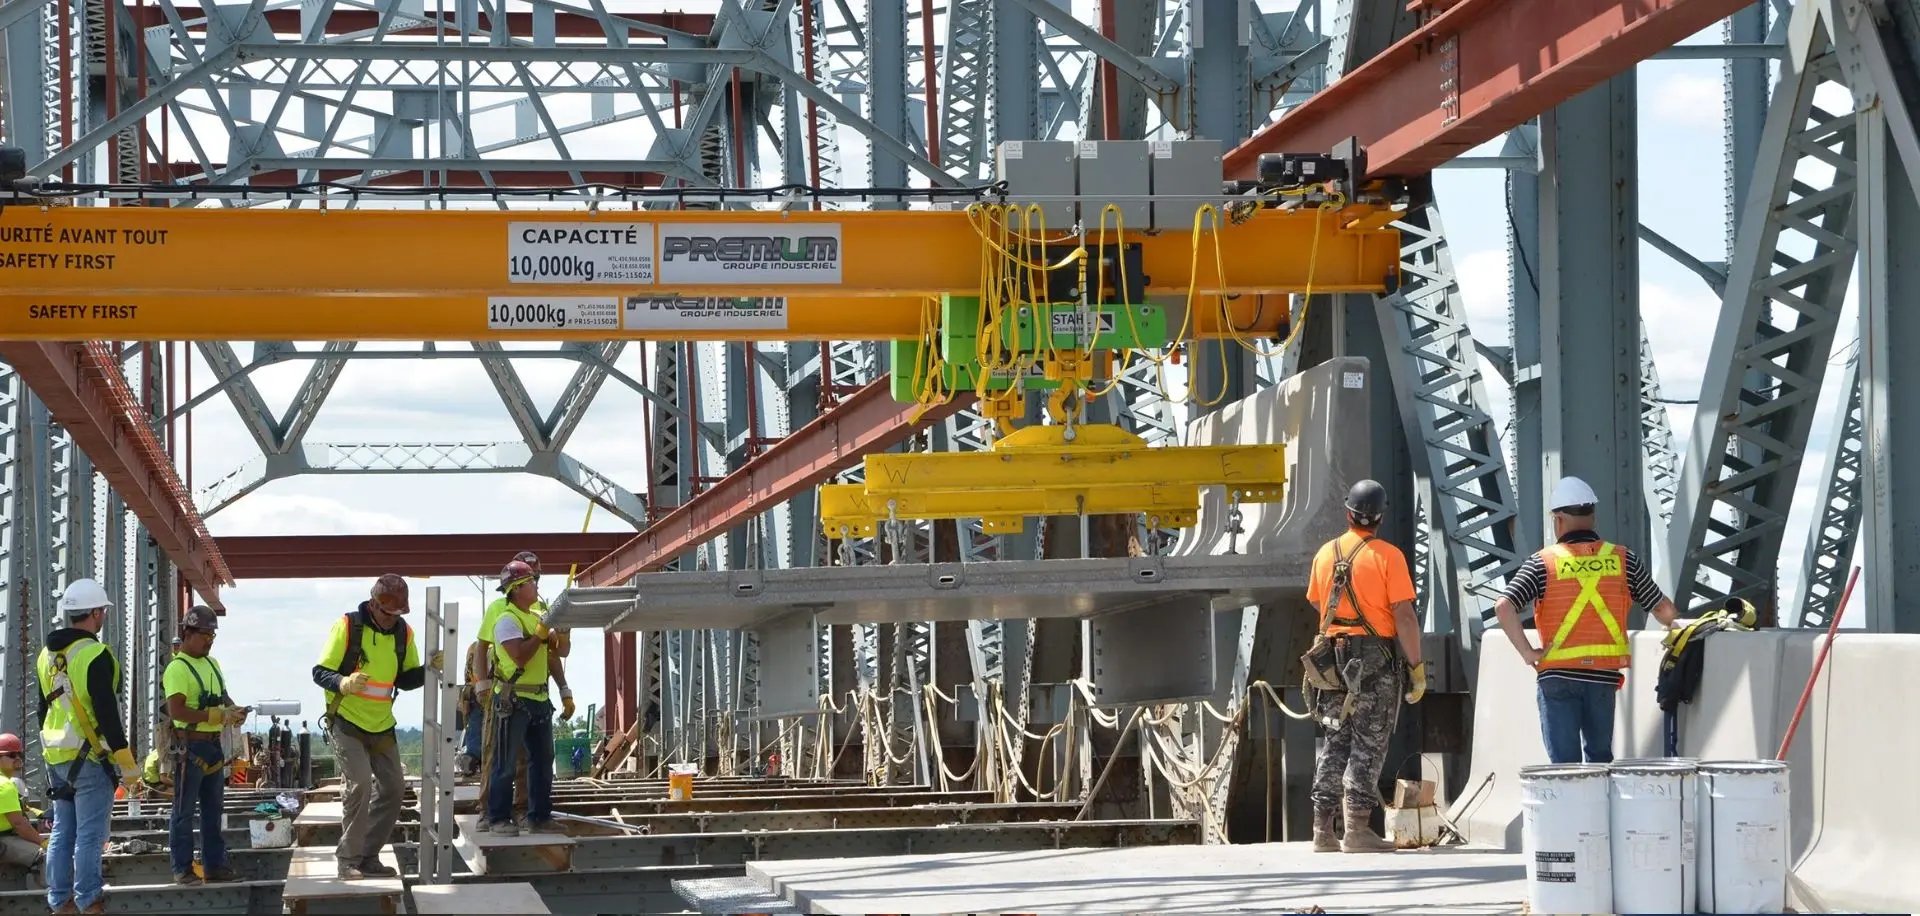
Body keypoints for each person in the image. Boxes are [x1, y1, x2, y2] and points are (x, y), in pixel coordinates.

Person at [1493, 476, 1679, 764]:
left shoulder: (1542, 562)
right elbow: (1664, 610)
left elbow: (1504, 606)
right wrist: (1681, 627)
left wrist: (1528, 653)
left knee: (1564, 767)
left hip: (1557, 675)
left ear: (1558, 520)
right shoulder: (1623, 559)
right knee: (1599, 760)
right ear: (1593, 516)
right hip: (1602, 677)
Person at [1304, 480, 1425, 854]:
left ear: (1348, 513)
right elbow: (1404, 616)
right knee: (1369, 742)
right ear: (1381, 517)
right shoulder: (1389, 557)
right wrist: (1416, 667)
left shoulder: (1325, 553)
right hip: (1373, 658)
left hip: (1330, 658)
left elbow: (1317, 602)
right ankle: (1357, 829)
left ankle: (1322, 831)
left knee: (1335, 740)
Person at [311, 574, 439, 879]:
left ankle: (368, 856)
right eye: (386, 612)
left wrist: (428, 670)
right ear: (373, 604)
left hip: (381, 724)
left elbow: (404, 680)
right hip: (347, 722)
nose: (390, 618)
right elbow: (319, 672)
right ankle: (348, 860)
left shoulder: (403, 634)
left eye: (396, 614)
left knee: (394, 788)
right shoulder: (348, 626)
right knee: (360, 785)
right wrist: (343, 682)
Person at [38, 577, 139, 915]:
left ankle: (60, 902)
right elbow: (107, 714)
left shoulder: (46, 656)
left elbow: (42, 709)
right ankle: (89, 901)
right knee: (90, 835)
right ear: (96, 613)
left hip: (56, 755)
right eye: (103, 611)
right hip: (90, 758)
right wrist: (126, 763)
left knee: (62, 831)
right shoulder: (95, 654)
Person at [472, 551, 572, 831]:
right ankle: (496, 817)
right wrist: (482, 683)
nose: (536, 585)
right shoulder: (506, 618)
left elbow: (557, 653)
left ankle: (538, 816)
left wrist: (562, 634)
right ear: (516, 588)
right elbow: (518, 656)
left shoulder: (538, 614)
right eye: (531, 581)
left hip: (539, 698)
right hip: (514, 699)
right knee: (504, 762)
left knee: (542, 761)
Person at [163, 605, 248, 885]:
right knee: (184, 811)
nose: (209, 640)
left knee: (213, 811)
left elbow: (222, 696)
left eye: (212, 635)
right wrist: (213, 716)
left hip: (212, 746)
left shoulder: (212, 664)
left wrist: (233, 710)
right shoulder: (178, 668)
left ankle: (214, 866)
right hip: (191, 748)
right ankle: (182, 868)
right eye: (205, 635)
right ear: (188, 633)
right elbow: (177, 711)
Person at [0, 733, 47, 874]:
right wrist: (43, 843)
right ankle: (57, 888)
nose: (18, 758)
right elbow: (19, 824)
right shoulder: (5, 785)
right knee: (45, 855)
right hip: (2, 839)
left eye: (20, 754)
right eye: (11, 755)